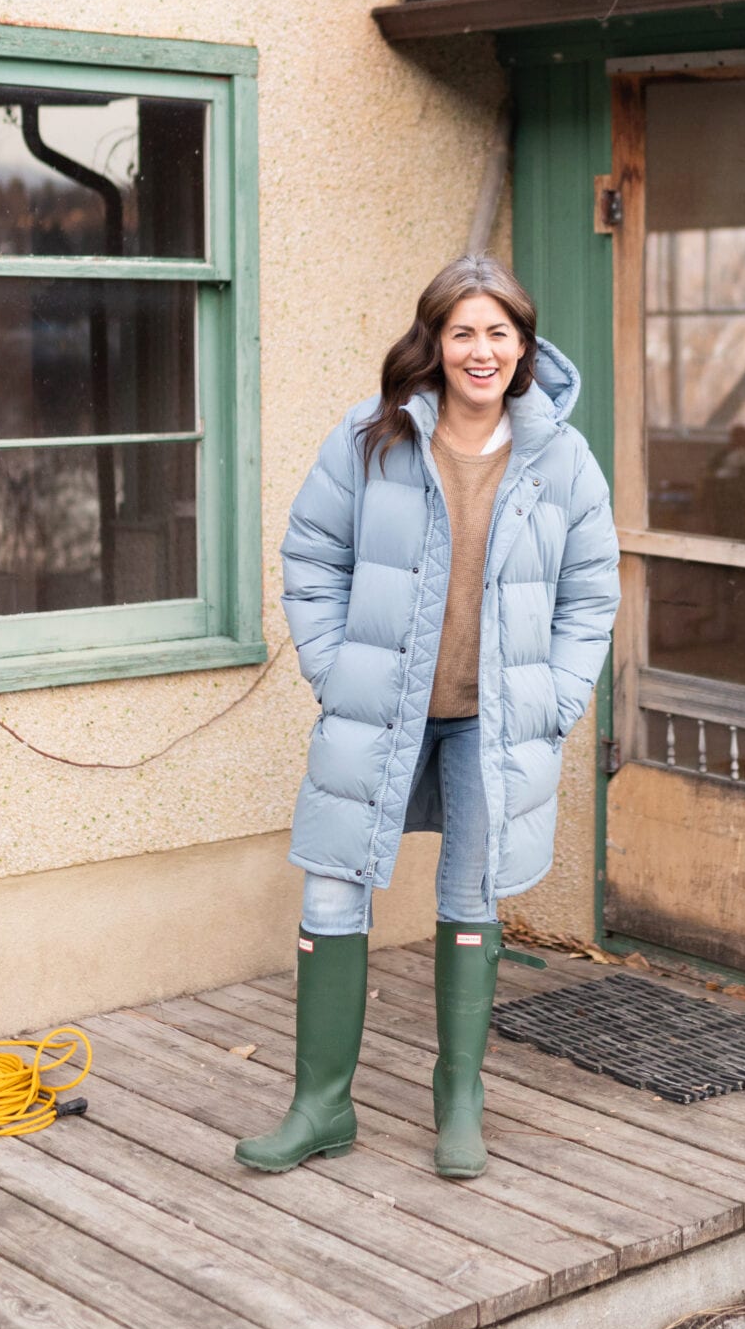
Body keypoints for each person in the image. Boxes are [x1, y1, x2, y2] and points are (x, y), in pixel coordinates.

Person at [236, 255, 620, 1181]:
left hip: (493, 722)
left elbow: (591, 591)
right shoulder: (373, 438)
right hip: (377, 713)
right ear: (434, 343)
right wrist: (334, 670)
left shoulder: (560, 457)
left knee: (469, 899)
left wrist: (559, 696)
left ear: (522, 346)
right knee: (332, 888)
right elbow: (311, 553)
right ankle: (320, 1105)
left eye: (497, 332)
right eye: (462, 333)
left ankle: (459, 1101)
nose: (479, 351)